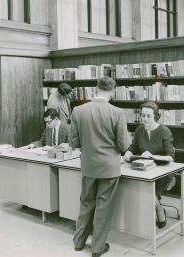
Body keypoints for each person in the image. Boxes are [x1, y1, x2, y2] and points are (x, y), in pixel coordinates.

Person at [70, 77, 130, 257]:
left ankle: (78, 242)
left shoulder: (78, 110)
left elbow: (74, 142)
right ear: (112, 91)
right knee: (103, 207)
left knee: (86, 203)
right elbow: (122, 144)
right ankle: (97, 248)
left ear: (95, 89)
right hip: (109, 167)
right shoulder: (117, 112)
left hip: (88, 165)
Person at [124, 102, 175, 229]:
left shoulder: (164, 131)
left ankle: (159, 210)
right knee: (134, 185)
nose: (145, 119)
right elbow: (132, 147)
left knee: (147, 190)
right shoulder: (139, 130)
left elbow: (170, 157)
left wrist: (153, 157)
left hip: (162, 172)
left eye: (148, 116)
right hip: (144, 170)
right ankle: (155, 210)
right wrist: (127, 153)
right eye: (142, 115)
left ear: (155, 116)